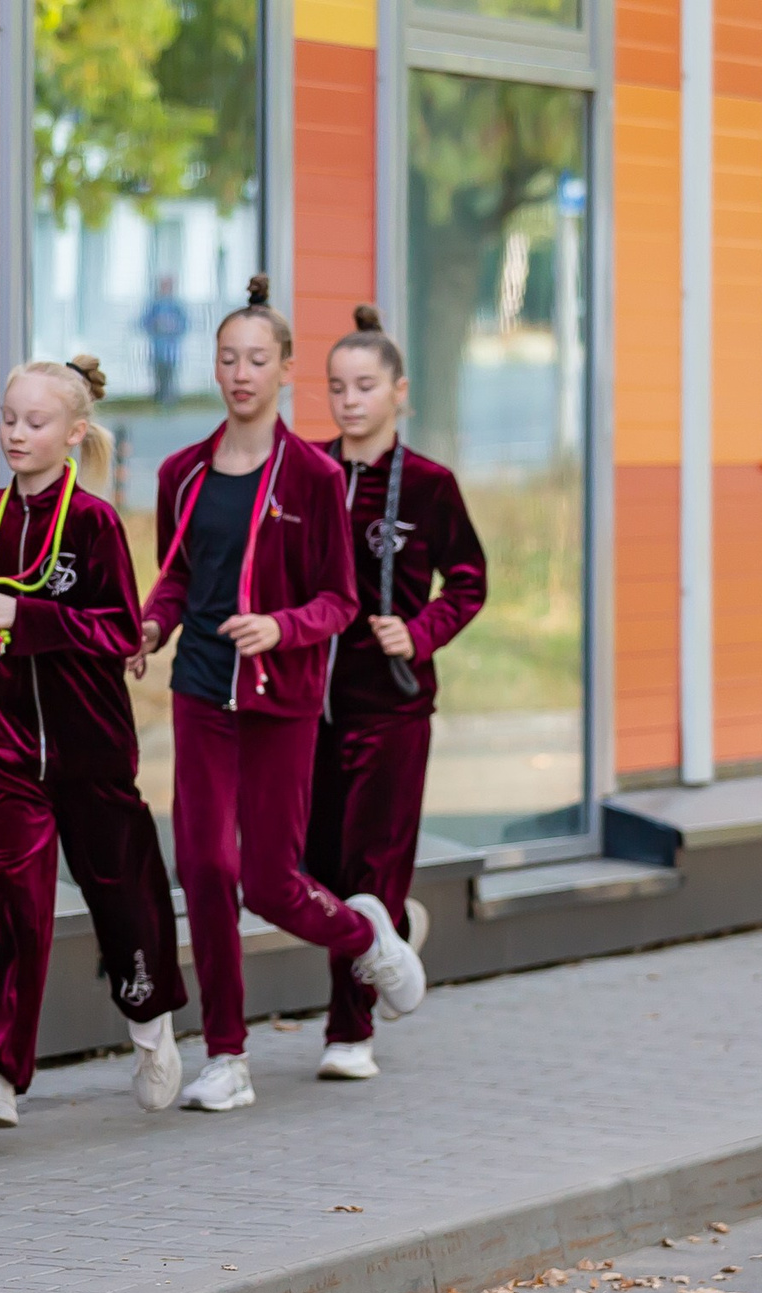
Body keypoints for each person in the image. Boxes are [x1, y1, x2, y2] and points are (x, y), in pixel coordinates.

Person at [137, 275, 426, 1113]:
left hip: (280, 700)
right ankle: (226, 1055)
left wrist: (280, 626)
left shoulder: (312, 476)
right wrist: (153, 626)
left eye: (257, 360)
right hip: (201, 692)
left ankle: (368, 935)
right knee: (205, 868)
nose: (241, 374)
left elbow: (340, 599)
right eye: (228, 358)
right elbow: (179, 575)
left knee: (268, 880)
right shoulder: (182, 472)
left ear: (286, 370)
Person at [0, 356, 191, 1128]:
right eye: (8, 418)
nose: (16, 433)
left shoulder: (94, 523)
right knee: (8, 893)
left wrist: (30, 618)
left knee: (124, 893)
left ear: (74, 432)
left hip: (92, 749)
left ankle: (151, 1024)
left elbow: (119, 630)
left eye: (35, 422)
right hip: (6, 746)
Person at [307, 305, 487, 1081]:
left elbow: (470, 579)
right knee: (309, 866)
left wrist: (420, 631)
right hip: (308, 705)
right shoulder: (306, 474)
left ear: (398, 393)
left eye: (365, 386)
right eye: (337, 386)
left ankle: (349, 1034)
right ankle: (397, 929)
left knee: (368, 866)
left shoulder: (430, 486)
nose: (349, 400)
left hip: (392, 706)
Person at [141, 278, 189, 405]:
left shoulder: (177, 306)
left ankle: (169, 399)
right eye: (163, 286)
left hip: (172, 351)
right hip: (157, 350)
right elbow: (144, 323)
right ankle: (159, 398)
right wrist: (156, 324)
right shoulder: (154, 305)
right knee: (158, 375)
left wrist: (173, 326)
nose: (166, 289)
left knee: (170, 375)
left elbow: (185, 325)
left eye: (168, 286)